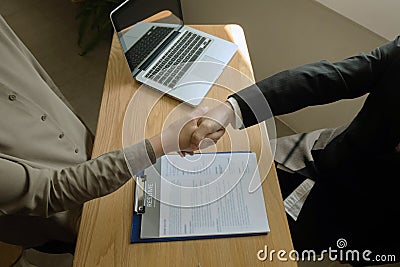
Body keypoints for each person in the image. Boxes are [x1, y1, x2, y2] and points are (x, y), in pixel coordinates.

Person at [0, 15, 202, 266]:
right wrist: (165, 142)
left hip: (93, 158)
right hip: (63, 213)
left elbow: (38, 79)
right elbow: (50, 191)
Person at [191, 36, 400, 265]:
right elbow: (328, 78)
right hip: (320, 152)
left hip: (363, 214)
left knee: (262, 251)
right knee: (222, 178)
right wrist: (232, 108)